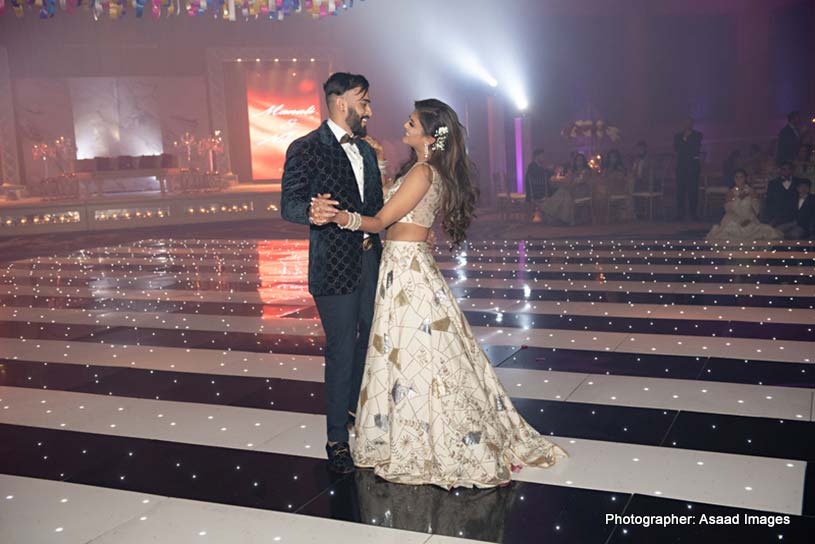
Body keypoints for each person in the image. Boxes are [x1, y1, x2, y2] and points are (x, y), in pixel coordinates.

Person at [315, 99, 566, 488]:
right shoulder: (418, 170)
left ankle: (427, 432)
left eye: (411, 121)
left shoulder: (422, 172)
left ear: (429, 136)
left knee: (416, 353)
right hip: (402, 265)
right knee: (410, 352)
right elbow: (392, 206)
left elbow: (381, 219)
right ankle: (412, 426)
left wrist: (339, 218)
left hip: (409, 270)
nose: (404, 123)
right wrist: (380, 166)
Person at [280, 72, 385, 474]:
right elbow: (288, 203)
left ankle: (355, 407)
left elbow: (374, 208)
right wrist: (310, 211)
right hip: (334, 267)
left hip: (370, 261)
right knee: (341, 347)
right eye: (365, 101)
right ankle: (336, 440)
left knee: (369, 342)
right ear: (341, 102)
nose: (370, 110)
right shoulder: (306, 148)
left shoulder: (366, 151)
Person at [706, 169, 781, 241]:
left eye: (741, 177)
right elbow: (728, 210)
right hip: (733, 218)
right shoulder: (730, 192)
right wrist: (738, 199)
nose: (739, 179)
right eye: (736, 177)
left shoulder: (751, 191)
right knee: (730, 229)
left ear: (745, 178)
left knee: (756, 230)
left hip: (749, 217)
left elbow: (756, 209)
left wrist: (748, 219)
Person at [539, 152, 594, 226]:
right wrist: (569, 180)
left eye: (581, 160)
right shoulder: (572, 171)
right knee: (564, 192)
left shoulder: (586, 171)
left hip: (582, 191)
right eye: (577, 160)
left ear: (584, 162)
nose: (579, 162)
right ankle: (563, 217)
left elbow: (580, 182)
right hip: (572, 190)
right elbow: (567, 181)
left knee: (564, 192)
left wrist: (570, 184)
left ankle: (553, 212)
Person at [765, 161, 807, 238]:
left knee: (794, 236)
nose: (786, 171)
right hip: (778, 219)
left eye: (788, 169)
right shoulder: (773, 183)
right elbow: (769, 202)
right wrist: (771, 219)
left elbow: (804, 200)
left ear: (792, 170)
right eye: (784, 169)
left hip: (795, 218)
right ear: (780, 170)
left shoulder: (799, 182)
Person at [673, 116, 703, 221]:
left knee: (693, 191)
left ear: (692, 124)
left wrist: (686, 140)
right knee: (680, 191)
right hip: (681, 167)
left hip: (693, 167)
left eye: (689, 123)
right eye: (685, 122)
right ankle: (680, 214)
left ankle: (693, 214)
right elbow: (676, 149)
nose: (687, 125)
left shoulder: (697, 135)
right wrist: (684, 139)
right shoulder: (677, 136)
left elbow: (695, 148)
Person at [598, 148, 634, 223]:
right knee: (600, 194)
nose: (613, 159)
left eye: (614, 157)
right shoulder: (606, 169)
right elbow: (603, 180)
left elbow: (624, 179)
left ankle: (624, 215)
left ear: (617, 158)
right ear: (609, 159)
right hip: (608, 191)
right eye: (611, 157)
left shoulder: (621, 168)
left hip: (620, 189)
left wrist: (617, 174)